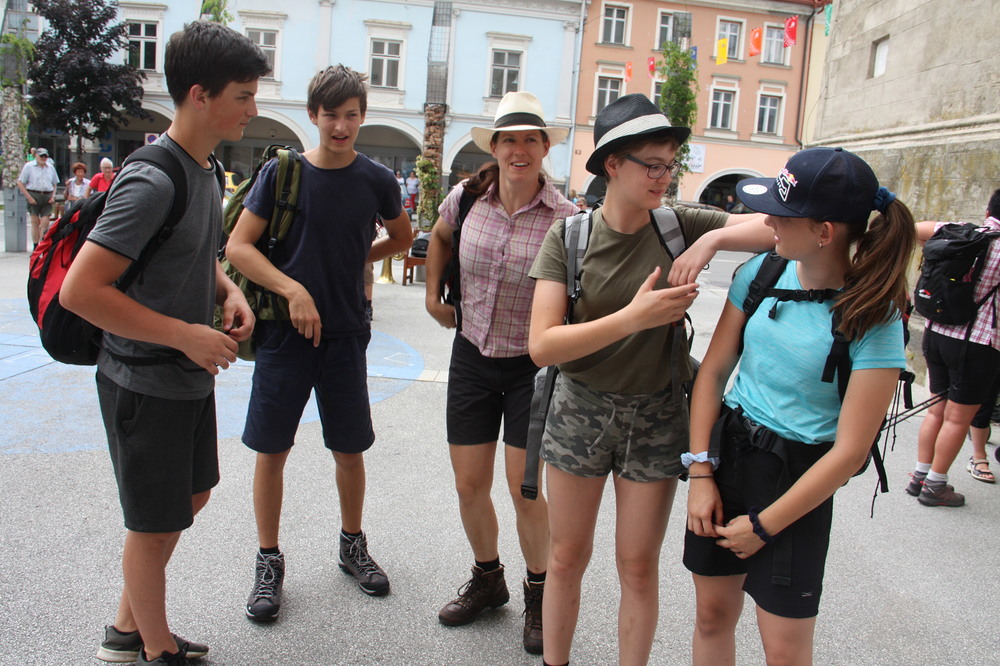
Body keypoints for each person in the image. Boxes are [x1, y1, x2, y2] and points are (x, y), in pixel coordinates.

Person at [527, 93, 774, 666]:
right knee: (566, 557)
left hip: (658, 413)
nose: (665, 177)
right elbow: (542, 345)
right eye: (653, 166)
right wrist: (631, 318)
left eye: (670, 165)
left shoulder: (680, 224)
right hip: (580, 409)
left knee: (638, 566)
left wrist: (713, 238)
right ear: (613, 165)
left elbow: (778, 228)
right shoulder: (569, 237)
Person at [59, 21, 269, 666]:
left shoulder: (204, 169)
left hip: (183, 374)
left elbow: (192, 250)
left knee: (189, 498)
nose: (252, 108)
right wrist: (185, 335)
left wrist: (226, 292)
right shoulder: (152, 179)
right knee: (153, 524)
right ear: (200, 96)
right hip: (143, 378)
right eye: (242, 96)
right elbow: (80, 291)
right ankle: (153, 649)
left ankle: (128, 627)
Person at [682, 147, 915, 665]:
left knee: (784, 649)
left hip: (799, 482)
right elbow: (713, 373)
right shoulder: (762, 273)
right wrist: (699, 472)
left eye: (782, 215)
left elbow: (850, 452)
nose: (768, 223)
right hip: (729, 458)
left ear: (824, 231)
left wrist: (765, 524)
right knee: (712, 616)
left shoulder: (875, 317)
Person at [226, 64, 411, 622]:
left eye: (351, 115)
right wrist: (293, 290)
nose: (341, 127)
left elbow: (402, 237)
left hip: (347, 333)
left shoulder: (376, 179)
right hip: (285, 334)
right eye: (331, 115)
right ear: (313, 115)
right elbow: (238, 247)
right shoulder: (284, 173)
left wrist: (357, 258)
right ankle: (268, 560)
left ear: (363, 116)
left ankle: (352, 545)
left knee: (349, 449)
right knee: (272, 451)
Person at [423, 90, 576, 655]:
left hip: (532, 367)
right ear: (494, 146)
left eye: (530, 139)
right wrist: (433, 295)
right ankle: (489, 579)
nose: (519, 150)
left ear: (544, 148)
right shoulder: (467, 198)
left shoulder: (566, 219)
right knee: (469, 484)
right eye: (509, 139)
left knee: (524, 489)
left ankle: (540, 592)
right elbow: (440, 237)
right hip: (471, 354)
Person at [908, 189, 1000, 503]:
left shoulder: (960, 232)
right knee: (958, 419)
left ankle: (919, 476)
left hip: (936, 332)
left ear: (988, 210)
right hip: (978, 343)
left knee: (936, 411)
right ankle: (935, 486)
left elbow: (915, 228)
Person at [17, 147, 60, 248]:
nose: (43, 158)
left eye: (45, 156)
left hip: (47, 195)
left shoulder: (50, 167)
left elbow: (54, 183)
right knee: (35, 222)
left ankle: (42, 244)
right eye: (41, 156)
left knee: (45, 222)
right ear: (36, 156)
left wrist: (53, 196)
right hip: (34, 194)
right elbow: (20, 183)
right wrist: (29, 197)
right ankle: (35, 245)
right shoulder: (29, 166)